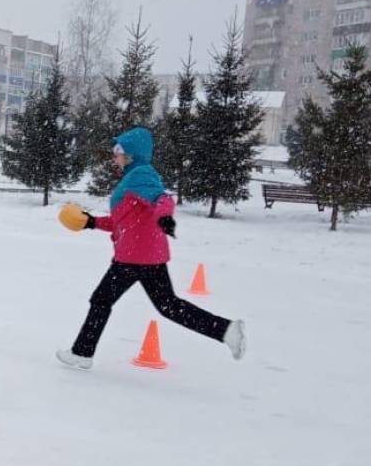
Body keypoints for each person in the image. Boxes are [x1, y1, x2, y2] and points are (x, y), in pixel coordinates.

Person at [56, 127, 246, 370]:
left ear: (132, 154)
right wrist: (91, 222)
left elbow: (162, 199)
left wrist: (165, 217)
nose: (115, 156)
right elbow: (122, 221)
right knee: (168, 306)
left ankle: (82, 353)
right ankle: (227, 331)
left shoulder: (142, 175)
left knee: (102, 300)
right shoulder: (134, 176)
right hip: (144, 255)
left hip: (135, 257)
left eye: (118, 152)